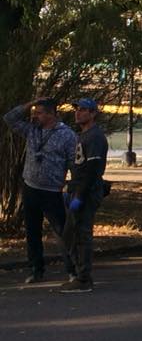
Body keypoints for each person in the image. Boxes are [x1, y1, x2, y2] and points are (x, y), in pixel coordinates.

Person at [3, 97, 77, 284]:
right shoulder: (32, 130)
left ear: (52, 114)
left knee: (61, 231)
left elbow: (72, 161)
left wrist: (72, 185)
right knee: (32, 231)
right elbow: (9, 119)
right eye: (34, 112)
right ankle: (36, 269)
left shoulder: (66, 134)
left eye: (40, 112)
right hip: (31, 187)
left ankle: (73, 269)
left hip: (51, 190)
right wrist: (29, 104)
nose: (35, 116)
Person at [61, 98, 108, 293]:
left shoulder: (95, 137)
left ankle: (83, 278)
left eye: (83, 110)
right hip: (75, 188)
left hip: (87, 191)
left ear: (93, 113)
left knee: (80, 233)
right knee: (70, 234)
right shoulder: (83, 135)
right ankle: (80, 274)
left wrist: (80, 195)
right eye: (77, 110)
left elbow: (93, 169)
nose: (78, 113)